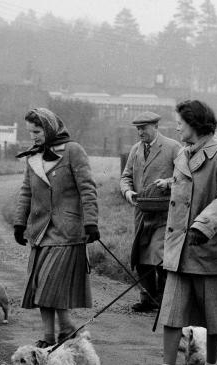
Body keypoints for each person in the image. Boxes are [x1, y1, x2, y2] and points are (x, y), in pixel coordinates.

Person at [137, 100, 217, 365]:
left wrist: (202, 226)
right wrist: (169, 183)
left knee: (214, 317)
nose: (177, 127)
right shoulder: (185, 154)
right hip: (180, 249)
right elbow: (189, 182)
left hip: (212, 249)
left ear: (195, 123)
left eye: (180, 122)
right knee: (171, 312)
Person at [13, 107, 99, 348]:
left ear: (50, 128)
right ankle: (51, 336)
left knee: (50, 285)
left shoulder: (73, 151)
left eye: (38, 131)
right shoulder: (33, 157)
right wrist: (20, 223)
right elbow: (26, 192)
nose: (34, 136)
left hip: (68, 231)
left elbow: (87, 188)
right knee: (40, 285)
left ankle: (67, 329)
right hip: (40, 232)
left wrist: (91, 221)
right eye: (30, 132)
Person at [120, 111, 184, 312]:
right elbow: (126, 177)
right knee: (141, 256)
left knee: (159, 255)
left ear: (155, 127)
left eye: (144, 128)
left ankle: (167, 301)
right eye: (138, 128)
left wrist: (167, 183)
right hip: (141, 213)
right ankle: (147, 299)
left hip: (164, 213)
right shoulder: (136, 150)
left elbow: (185, 178)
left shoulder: (173, 147)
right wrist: (128, 192)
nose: (140, 132)